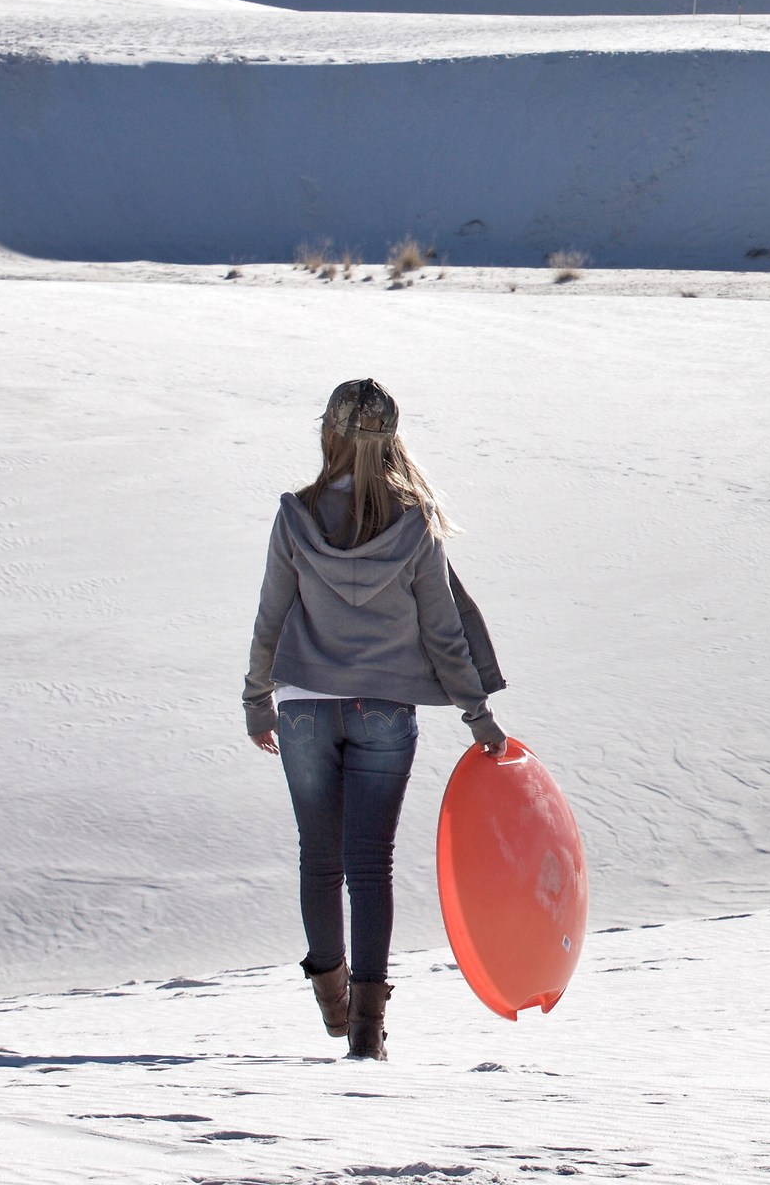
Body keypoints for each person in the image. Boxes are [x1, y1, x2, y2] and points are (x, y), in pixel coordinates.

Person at [243, 378, 507, 1062]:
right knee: (369, 864)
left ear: (329, 433)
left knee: (319, 857)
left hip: (303, 707)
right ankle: (367, 1030)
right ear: (390, 440)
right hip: (385, 711)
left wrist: (256, 699)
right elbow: (443, 631)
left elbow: (271, 612)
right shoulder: (415, 521)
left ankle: (331, 998)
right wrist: (477, 714)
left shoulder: (296, 515)